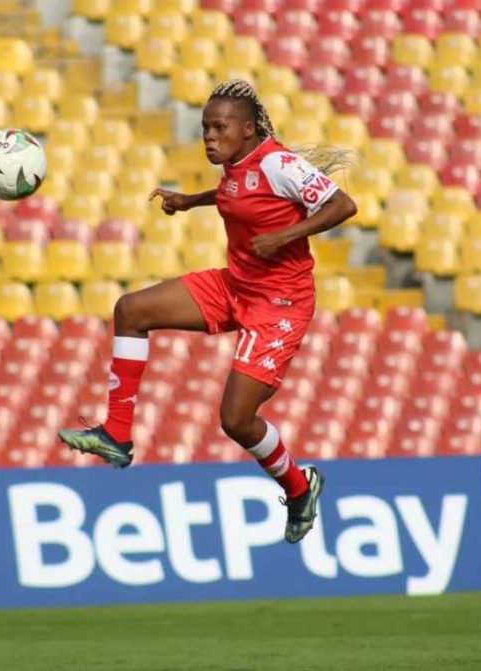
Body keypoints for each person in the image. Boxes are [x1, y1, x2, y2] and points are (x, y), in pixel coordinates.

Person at [58, 80, 358, 544]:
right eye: (204, 129)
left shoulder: (279, 163)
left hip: (279, 303)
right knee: (131, 309)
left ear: (248, 128)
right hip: (235, 284)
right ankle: (117, 435)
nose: (209, 137)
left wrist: (282, 238)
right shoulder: (237, 166)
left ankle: (300, 489)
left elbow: (343, 205)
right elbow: (236, 195)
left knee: (236, 421)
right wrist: (188, 200)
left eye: (219, 128)